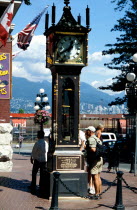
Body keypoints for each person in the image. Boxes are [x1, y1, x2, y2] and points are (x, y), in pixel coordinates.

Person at [86, 126, 103, 198]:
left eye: (87, 131)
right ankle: (99, 193)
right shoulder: (97, 138)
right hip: (100, 159)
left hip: (94, 160)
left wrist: (87, 149)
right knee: (98, 177)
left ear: (90, 131)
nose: (86, 132)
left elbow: (93, 149)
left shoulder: (91, 139)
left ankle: (96, 194)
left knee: (95, 177)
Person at [30, 130, 49, 196]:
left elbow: (34, 151)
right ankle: (41, 186)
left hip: (37, 160)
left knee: (34, 173)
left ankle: (33, 185)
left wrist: (32, 158)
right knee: (42, 174)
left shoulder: (37, 143)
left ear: (38, 136)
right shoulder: (46, 143)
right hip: (44, 160)